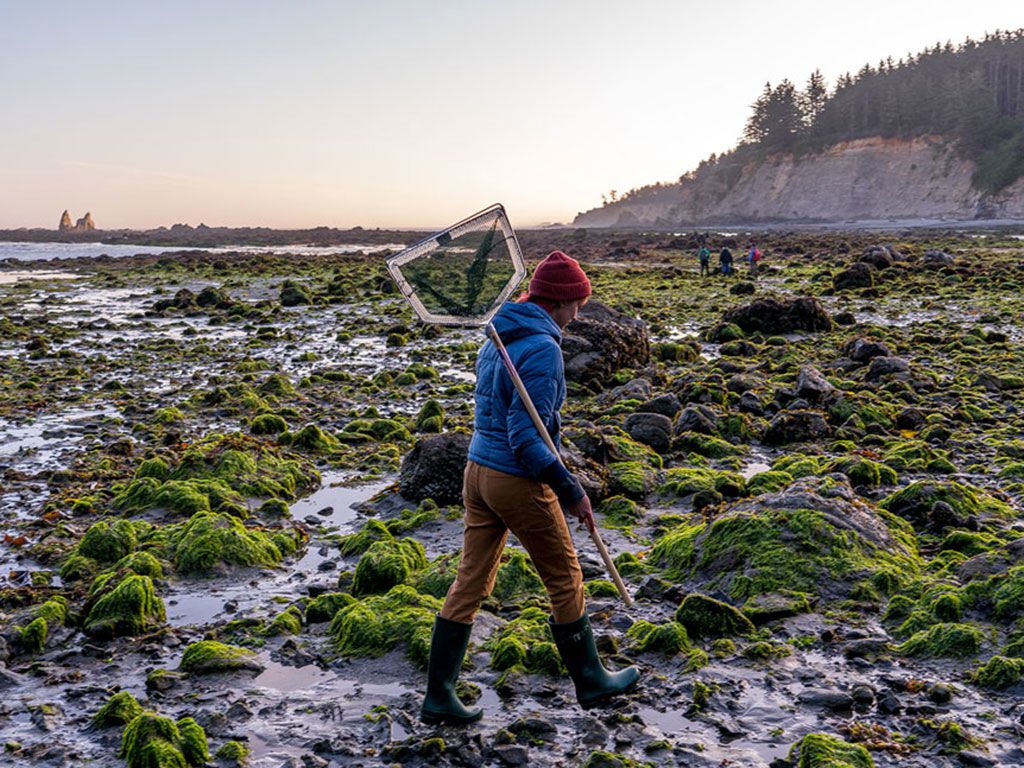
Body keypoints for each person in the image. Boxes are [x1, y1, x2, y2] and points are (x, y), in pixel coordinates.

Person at [420, 250, 640, 725]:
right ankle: (592, 682)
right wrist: (568, 486)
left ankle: (439, 695)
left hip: (477, 472)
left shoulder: (498, 336)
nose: (578, 312)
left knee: (470, 583)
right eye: (576, 303)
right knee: (565, 577)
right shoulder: (542, 348)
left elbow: (497, 416)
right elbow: (526, 436)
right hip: (515, 479)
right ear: (559, 302)